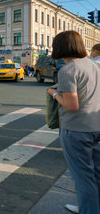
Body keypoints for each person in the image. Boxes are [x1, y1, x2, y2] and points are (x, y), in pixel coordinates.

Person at [46, 31, 100, 214]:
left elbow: (71, 105)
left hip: (76, 129)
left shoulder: (68, 70)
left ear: (60, 48)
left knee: (83, 177)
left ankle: (88, 210)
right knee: (96, 173)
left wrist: (53, 94)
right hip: (96, 126)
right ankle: (91, 207)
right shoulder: (93, 65)